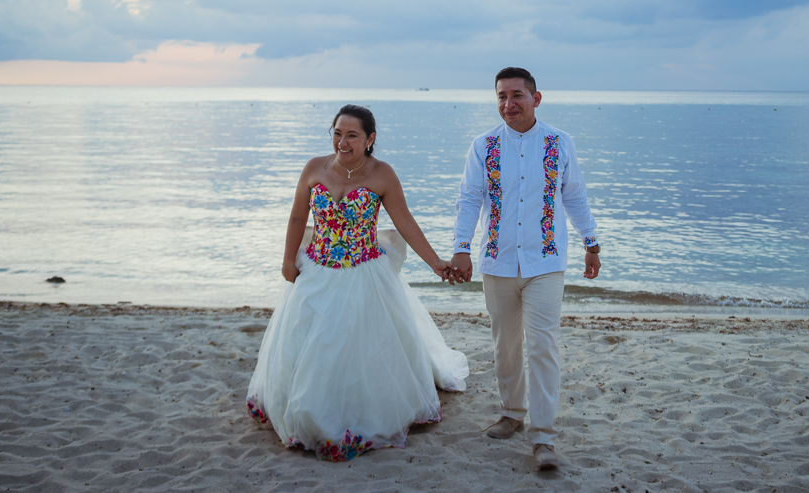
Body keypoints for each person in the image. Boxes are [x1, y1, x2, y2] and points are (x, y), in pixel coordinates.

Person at [246, 104, 469, 461]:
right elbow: (296, 217)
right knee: (309, 346)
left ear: (370, 139)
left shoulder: (382, 174)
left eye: (352, 135)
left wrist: (436, 263)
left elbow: (406, 222)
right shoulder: (313, 168)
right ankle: (308, 411)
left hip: (365, 272)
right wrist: (288, 262)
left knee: (359, 347)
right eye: (337, 133)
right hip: (316, 269)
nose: (342, 142)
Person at [449, 67, 601, 471]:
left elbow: (575, 197)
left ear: (536, 98)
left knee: (543, 346)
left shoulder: (558, 143)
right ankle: (512, 413)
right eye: (501, 96)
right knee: (505, 345)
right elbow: (468, 199)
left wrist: (592, 243)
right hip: (497, 260)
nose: (508, 104)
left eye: (517, 95)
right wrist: (461, 249)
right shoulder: (483, 146)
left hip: (545, 262)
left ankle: (544, 436)